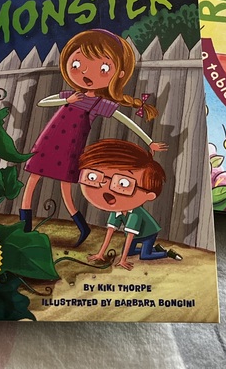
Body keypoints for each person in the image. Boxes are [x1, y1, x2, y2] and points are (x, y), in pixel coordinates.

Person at [19, 29, 164, 246]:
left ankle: (82, 226)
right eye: (77, 64)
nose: (86, 73)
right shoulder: (72, 95)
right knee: (33, 180)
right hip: (48, 141)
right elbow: (43, 102)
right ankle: (24, 229)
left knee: (66, 189)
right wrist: (67, 101)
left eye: (103, 69)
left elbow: (126, 121)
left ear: (119, 74)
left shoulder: (99, 103)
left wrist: (149, 141)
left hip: (70, 148)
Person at [80, 139, 180, 269]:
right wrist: (100, 254)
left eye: (123, 183)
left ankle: (167, 253)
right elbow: (110, 231)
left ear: (149, 195)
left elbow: (130, 236)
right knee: (131, 251)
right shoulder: (117, 210)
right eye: (92, 176)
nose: (106, 187)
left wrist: (123, 260)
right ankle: (156, 248)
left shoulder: (135, 214)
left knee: (144, 255)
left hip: (148, 234)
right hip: (136, 235)